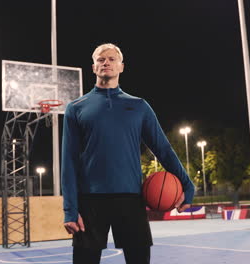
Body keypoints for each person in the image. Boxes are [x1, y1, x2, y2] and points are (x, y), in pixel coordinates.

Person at [61, 43, 195, 264]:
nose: (106, 63)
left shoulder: (139, 106)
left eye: (112, 59)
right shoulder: (76, 108)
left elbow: (163, 149)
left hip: (131, 199)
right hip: (90, 201)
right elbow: (69, 162)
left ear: (121, 67)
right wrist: (70, 209)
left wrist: (187, 186)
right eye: (101, 59)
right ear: (93, 67)